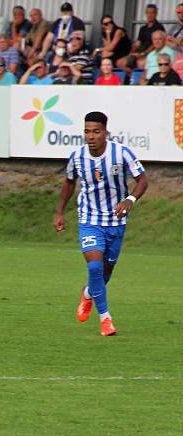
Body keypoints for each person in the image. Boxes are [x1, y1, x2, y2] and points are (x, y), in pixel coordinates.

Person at [54, 111, 148, 337]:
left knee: (104, 274)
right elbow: (69, 183)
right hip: (89, 219)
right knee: (94, 267)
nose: (91, 136)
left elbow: (143, 180)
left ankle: (88, 293)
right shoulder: (77, 157)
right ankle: (105, 320)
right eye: (87, 131)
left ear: (106, 132)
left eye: (96, 131)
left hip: (115, 221)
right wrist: (59, 212)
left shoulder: (122, 153)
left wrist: (130, 199)